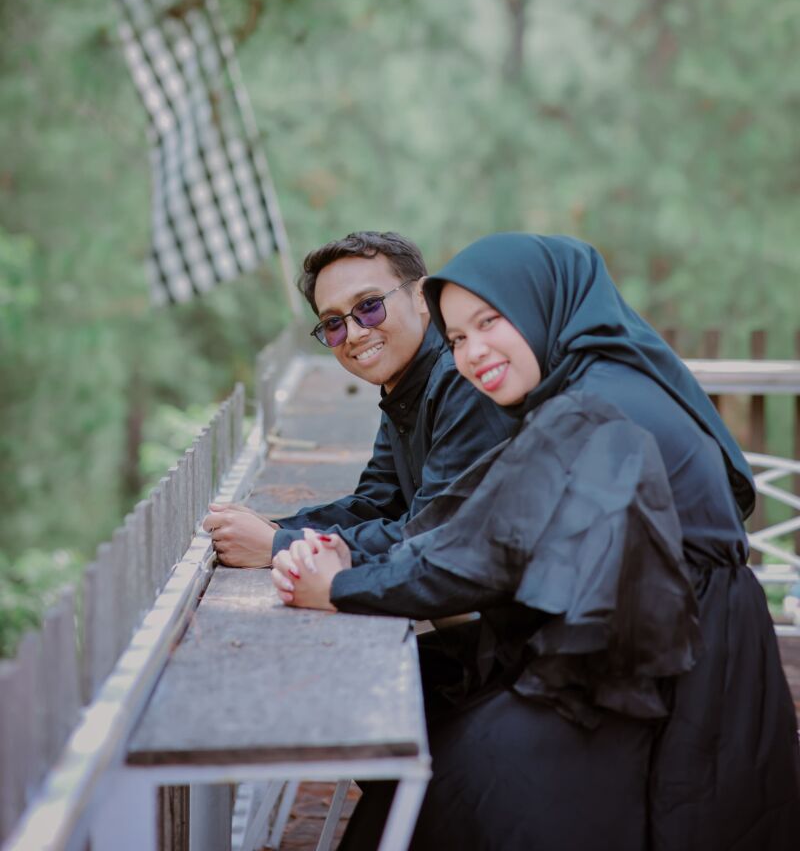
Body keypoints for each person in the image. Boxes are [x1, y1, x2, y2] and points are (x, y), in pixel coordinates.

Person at [273, 233, 800, 851]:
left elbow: (482, 553)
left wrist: (340, 585)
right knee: (419, 704)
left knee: (466, 778)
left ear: (541, 304)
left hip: (669, 662)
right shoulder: (587, 387)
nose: (472, 352)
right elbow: (477, 525)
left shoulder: (595, 408)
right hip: (641, 632)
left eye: (490, 321)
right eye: (458, 337)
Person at [203, 231, 515, 567]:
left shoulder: (461, 378)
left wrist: (280, 545)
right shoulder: (403, 385)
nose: (354, 334)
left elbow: (436, 535)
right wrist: (278, 529)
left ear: (422, 296)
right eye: (333, 323)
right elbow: (380, 503)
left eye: (369, 306)